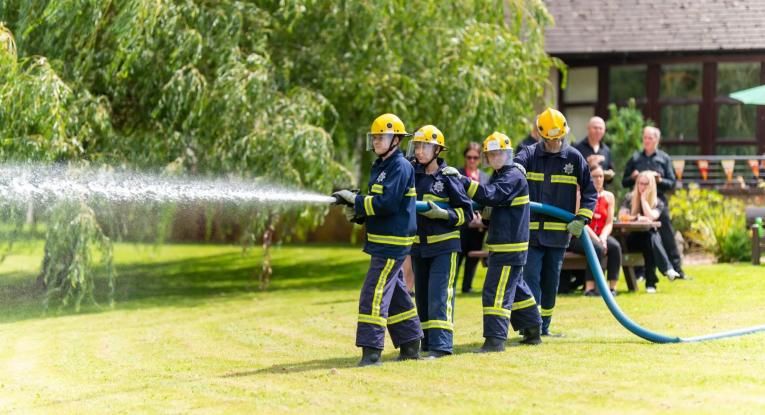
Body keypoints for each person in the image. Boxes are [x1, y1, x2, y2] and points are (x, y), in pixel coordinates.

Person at [332, 113, 423, 366]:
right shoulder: (381, 165)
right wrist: (359, 213)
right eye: (374, 137)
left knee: (373, 293)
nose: (376, 142)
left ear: (396, 139)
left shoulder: (400, 166)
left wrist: (357, 201)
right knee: (395, 294)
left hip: (392, 243)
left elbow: (388, 203)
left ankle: (371, 352)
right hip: (384, 239)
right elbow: (379, 205)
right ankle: (411, 344)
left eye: (381, 137)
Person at [444, 132, 543, 351]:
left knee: (495, 290)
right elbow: (497, 203)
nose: (495, 158)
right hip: (505, 243)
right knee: (515, 287)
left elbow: (493, 195)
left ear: (508, 154)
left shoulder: (512, 176)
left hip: (509, 245)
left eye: (499, 153)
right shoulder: (503, 175)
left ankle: (495, 339)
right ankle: (533, 328)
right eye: (491, 154)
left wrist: (462, 181)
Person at [514, 108, 597, 336]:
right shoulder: (529, 154)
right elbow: (514, 169)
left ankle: (545, 327)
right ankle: (531, 327)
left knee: (551, 283)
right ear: (541, 135)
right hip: (530, 234)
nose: (553, 143)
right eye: (549, 139)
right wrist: (515, 169)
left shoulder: (573, 158)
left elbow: (590, 191)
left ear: (563, 134)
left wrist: (582, 217)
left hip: (559, 235)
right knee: (531, 280)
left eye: (557, 138)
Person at [408, 125, 473, 358]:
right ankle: (426, 344)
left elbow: (467, 214)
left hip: (444, 247)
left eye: (425, 146)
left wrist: (445, 215)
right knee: (423, 298)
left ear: (437, 150)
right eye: (417, 145)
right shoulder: (411, 175)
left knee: (439, 295)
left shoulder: (448, 178)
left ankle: (442, 346)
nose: (419, 151)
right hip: (419, 246)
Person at [622, 126, 688, 280]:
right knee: (640, 236)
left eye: (650, 138)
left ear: (656, 140)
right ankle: (640, 273)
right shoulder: (635, 158)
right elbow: (624, 182)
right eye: (644, 137)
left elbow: (672, 183)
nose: (646, 140)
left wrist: (659, 180)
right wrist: (633, 178)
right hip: (637, 203)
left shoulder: (664, 158)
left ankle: (677, 270)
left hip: (657, 203)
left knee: (667, 236)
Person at [618, 171, 681, 293]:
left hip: (646, 240)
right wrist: (636, 218)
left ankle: (651, 284)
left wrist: (643, 199)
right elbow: (621, 215)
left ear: (651, 185)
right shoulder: (629, 198)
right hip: (630, 239)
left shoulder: (658, 202)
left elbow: (652, 216)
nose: (643, 187)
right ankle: (664, 271)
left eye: (646, 184)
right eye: (640, 184)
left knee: (650, 238)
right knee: (652, 237)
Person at [568, 165, 622, 296]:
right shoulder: (580, 195)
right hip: (581, 236)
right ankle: (590, 288)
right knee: (596, 248)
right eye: (595, 176)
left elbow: (609, 222)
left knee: (615, 247)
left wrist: (603, 237)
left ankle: (612, 288)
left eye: (601, 176)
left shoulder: (609, 197)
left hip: (600, 235)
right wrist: (598, 240)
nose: (598, 179)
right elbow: (581, 221)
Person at [456, 142, 489, 294]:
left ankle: (467, 287)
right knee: (457, 256)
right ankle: (451, 285)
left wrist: (482, 216)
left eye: (475, 157)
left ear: (480, 159)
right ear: (465, 158)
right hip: (462, 223)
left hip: (479, 225)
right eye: (469, 157)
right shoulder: (458, 175)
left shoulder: (486, 178)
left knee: (473, 258)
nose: (472, 160)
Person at [573, 116, 615, 181]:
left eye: (600, 128)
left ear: (604, 131)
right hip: (582, 189)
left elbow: (610, 179)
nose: (598, 131)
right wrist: (589, 165)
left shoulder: (606, 150)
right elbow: (570, 171)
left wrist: (608, 174)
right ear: (588, 128)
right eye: (595, 128)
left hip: (600, 189)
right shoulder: (576, 147)